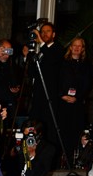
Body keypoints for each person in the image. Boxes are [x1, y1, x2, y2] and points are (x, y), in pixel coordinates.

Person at [28, 22, 65, 162]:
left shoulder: (58, 49)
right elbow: (33, 73)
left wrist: (42, 44)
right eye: (42, 32)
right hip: (38, 96)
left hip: (51, 96)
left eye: (48, 31)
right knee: (34, 125)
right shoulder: (40, 51)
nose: (44, 34)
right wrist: (28, 57)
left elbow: (53, 61)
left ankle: (50, 161)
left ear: (53, 34)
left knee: (49, 128)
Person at [58, 37, 93, 166]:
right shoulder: (62, 63)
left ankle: (72, 163)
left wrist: (77, 97)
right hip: (63, 104)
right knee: (63, 132)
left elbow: (88, 85)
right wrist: (62, 95)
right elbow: (57, 81)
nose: (77, 48)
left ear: (83, 49)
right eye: (75, 45)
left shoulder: (86, 65)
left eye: (80, 46)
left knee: (76, 133)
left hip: (78, 105)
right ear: (70, 47)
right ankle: (61, 162)